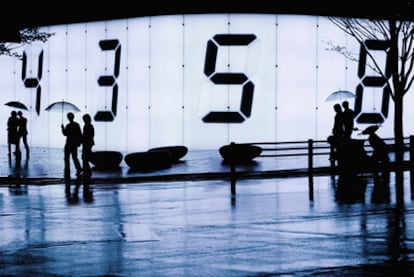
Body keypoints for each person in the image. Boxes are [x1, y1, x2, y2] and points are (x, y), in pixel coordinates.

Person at [61, 112, 82, 179]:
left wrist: (62, 128)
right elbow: (80, 135)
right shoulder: (76, 125)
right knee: (74, 158)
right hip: (74, 144)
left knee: (67, 158)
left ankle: (67, 171)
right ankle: (78, 169)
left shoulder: (68, 125)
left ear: (68, 118)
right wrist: (79, 143)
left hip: (68, 144)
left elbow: (65, 134)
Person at [81, 113, 95, 179]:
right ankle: (87, 170)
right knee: (85, 157)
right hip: (89, 143)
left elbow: (87, 135)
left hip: (87, 143)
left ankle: (87, 170)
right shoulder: (89, 125)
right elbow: (92, 135)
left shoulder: (87, 126)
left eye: (84, 119)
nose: (83, 120)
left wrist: (83, 139)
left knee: (84, 157)